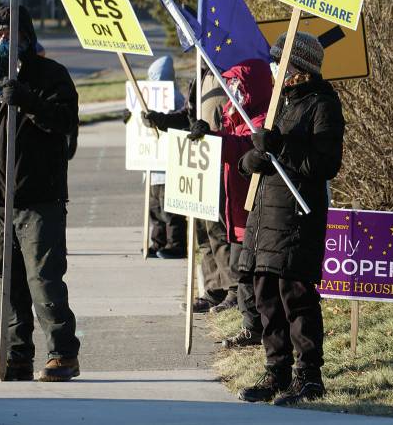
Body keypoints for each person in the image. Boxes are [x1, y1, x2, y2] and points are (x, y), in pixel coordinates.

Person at [0, 5, 80, 383]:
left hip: (38, 198)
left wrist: (28, 100)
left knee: (44, 279)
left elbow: (65, 125)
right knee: (6, 282)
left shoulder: (52, 76)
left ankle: (63, 353)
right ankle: (15, 356)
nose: (2, 43)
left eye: (10, 36)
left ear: (27, 40)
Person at [236, 32, 344, 406]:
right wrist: (250, 161)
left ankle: (309, 376)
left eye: (279, 61)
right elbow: (268, 155)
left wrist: (281, 146)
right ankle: (276, 371)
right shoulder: (280, 103)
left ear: (299, 68)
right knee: (265, 295)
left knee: (295, 296)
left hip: (298, 217)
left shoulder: (322, 105)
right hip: (266, 215)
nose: (272, 67)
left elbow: (325, 164)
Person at [187, 58, 271, 348]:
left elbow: (242, 148)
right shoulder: (234, 119)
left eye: (237, 85)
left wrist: (212, 139)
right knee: (241, 268)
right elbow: (230, 141)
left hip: (253, 214)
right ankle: (251, 327)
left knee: (249, 273)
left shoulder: (261, 123)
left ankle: (258, 327)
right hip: (235, 211)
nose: (231, 90)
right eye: (230, 84)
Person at [142, 66, 234, 311]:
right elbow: (188, 115)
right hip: (199, 158)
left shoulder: (229, 72)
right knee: (202, 229)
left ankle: (234, 289)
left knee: (220, 228)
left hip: (224, 156)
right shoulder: (200, 74)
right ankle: (214, 287)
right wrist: (161, 120)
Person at [141, 56, 187, 258]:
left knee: (170, 209)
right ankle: (157, 241)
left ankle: (175, 244)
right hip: (152, 165)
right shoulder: (144, 98)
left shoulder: (175, 98)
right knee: (155, 209)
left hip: (167, 165)